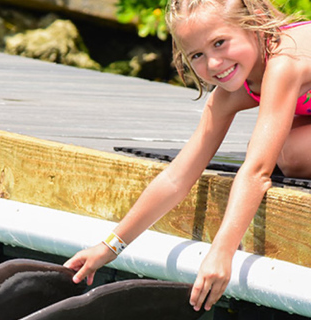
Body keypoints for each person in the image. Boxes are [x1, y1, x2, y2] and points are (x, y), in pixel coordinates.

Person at [64, 0, 311, 312]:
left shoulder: (283, 63)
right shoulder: (231, 92)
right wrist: (110, 247)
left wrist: (222, 252)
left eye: (220, 43)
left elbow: (256, 172)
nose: (214, 63)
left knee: (287, 153)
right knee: (287, 149)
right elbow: (176, 177)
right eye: (197, 55)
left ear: (254, 23)